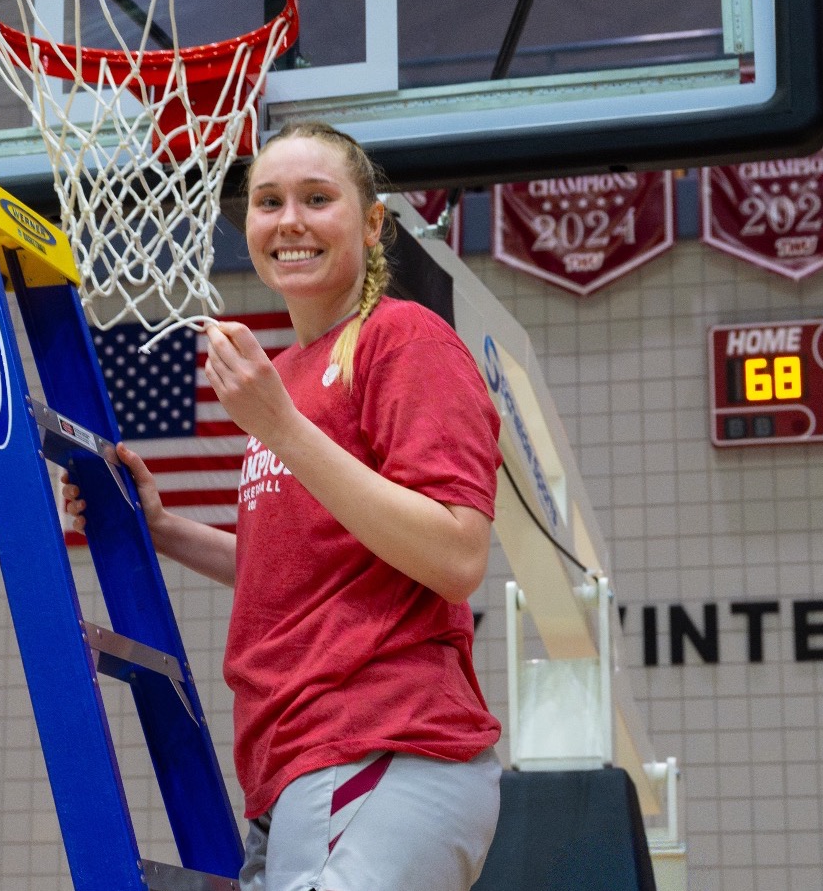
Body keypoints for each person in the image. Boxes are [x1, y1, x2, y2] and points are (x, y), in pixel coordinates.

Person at [65, 122, 504, 891]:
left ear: (372, 223)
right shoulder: (292, 373)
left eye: (316, 198)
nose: (289, 220)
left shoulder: (404, 339)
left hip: (382, 745)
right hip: (289, 769)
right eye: (268, 201)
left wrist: (280, 428)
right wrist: (161, 528)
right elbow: (299, 567)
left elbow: (456, 556)